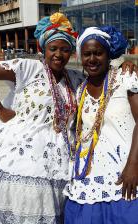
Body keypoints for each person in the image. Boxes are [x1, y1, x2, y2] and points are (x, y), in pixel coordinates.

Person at [0, 13, 137, 223]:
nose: (59, 54)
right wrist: (1, 110)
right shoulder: (29, 67)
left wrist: (125, 64)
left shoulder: (76, 79)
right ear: (43, 49)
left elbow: (102, 73)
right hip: (21, 160)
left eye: (65, 49)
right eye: (53, 48)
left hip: (59, 165)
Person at [64, 26, 138, 224]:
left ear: (108, 54)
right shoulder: (80, 89)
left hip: (126, 173)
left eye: (98, 53)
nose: (92, 59)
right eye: (87, 54)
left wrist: (133, 166)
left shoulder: (125, 78)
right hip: (89, 175)